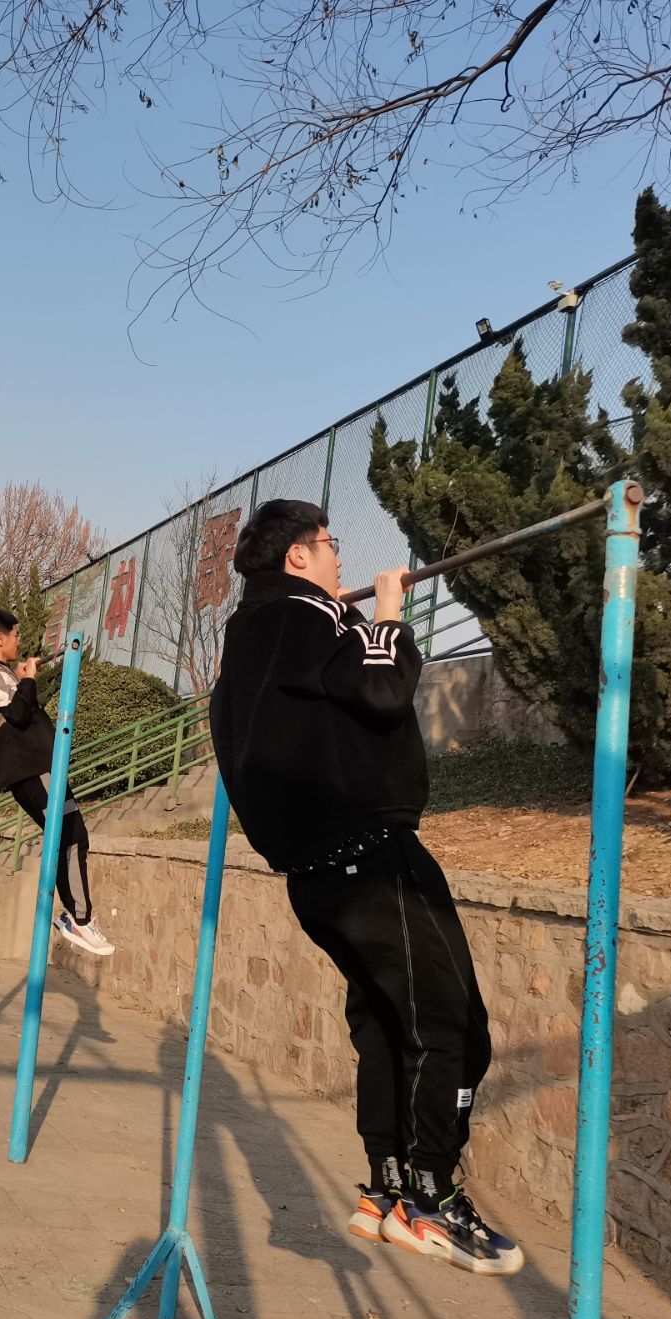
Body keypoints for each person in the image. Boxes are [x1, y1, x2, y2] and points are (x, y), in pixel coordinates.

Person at [209, 499, 521, 1277]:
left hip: (314, 874)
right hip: (370, 853)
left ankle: (386, 1186)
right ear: (298, 557)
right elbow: (382, 690)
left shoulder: (244, 639)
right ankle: (431, 1197)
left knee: (386, 1022)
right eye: (329, 544)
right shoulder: (310, 616)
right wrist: (387, 614)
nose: (338, 559)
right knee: (453, 1029)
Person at [0, 609, 113, 957]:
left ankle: (76, 915)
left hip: (36, 768)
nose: (19, 642)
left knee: (70, 834)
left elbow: (15, 711)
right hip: (32, 769)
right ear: (0, 638)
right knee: (70, 834)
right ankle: (79, 919)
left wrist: (23, 678)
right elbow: (19, 713)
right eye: (16, 635)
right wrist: (28, 679)